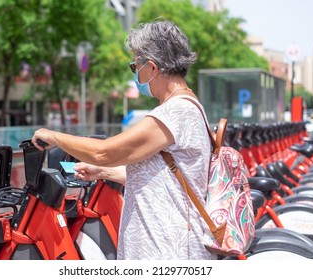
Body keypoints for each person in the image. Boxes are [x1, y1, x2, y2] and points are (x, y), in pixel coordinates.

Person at [31, 19, 214, 260]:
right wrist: (103, 172)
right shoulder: (187, 106)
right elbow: (162, 178)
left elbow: (104, 152)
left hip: (168, 252)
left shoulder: (175, 111)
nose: (136, 73)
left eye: (135, 66)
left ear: (152, 67)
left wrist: (53, 136)